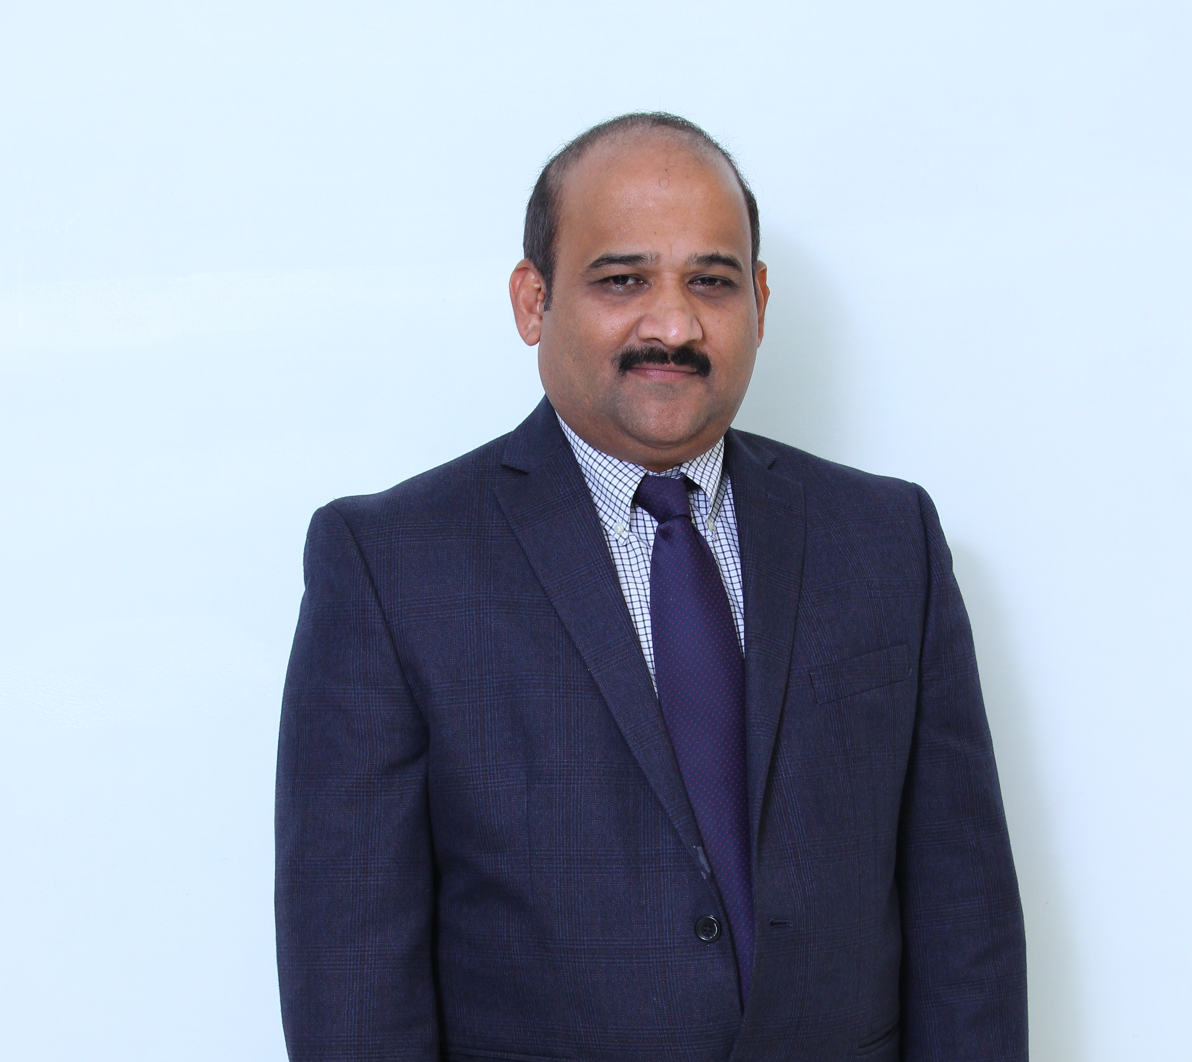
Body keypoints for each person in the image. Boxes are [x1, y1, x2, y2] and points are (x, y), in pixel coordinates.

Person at [275, 112, 1027, 1061]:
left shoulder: (888, 541)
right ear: (533, 301)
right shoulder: (389, 564)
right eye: (622, 280)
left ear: (759, 301)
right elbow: (352, 989)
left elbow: (967, 930)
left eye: (711, 281)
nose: (673, 325)